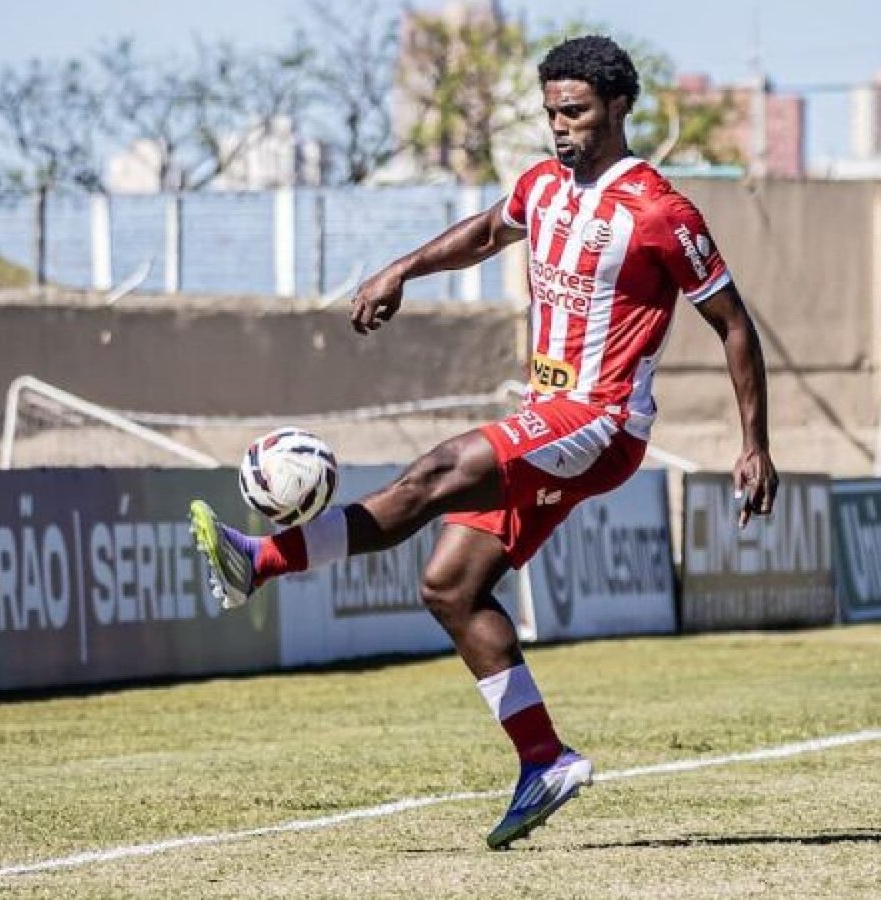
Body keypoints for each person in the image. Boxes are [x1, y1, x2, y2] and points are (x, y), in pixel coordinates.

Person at [191, 35, 778, 849]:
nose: (559, 127)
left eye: (573, 112)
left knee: (437, 470)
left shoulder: (660, 212)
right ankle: (544, 759)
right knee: (449, 587)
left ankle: (258, 561)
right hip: (548, 416)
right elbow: (484, 233)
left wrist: (755, 445)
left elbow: (734, 324)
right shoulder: (542, 185)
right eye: (549, 113)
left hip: (600, 422)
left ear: (617, 108)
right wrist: (400, 268)